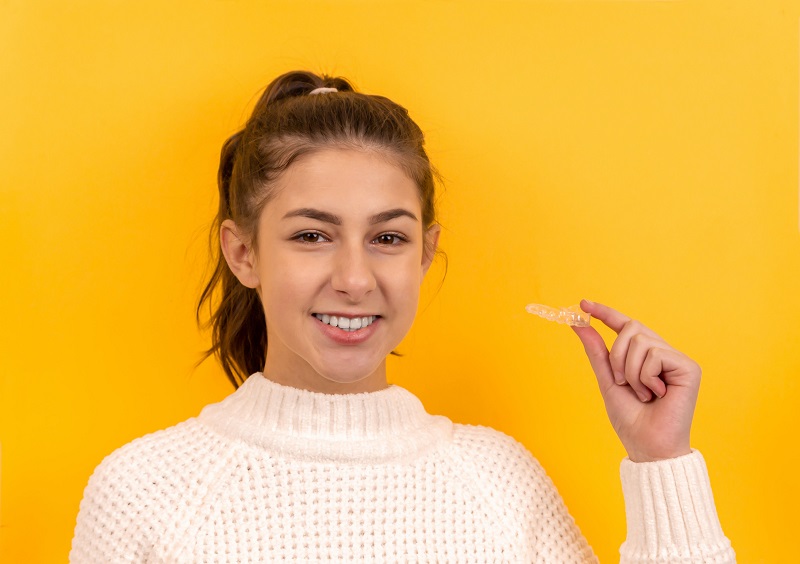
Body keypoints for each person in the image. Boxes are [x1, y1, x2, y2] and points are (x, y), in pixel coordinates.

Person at [70, 70, 736, 563]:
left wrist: (661, 462)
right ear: (243, 252)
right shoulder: (145, 492)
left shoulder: (499, 482)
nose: (355, 279)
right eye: (311, 236)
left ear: (425, 253)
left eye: (387, 238)